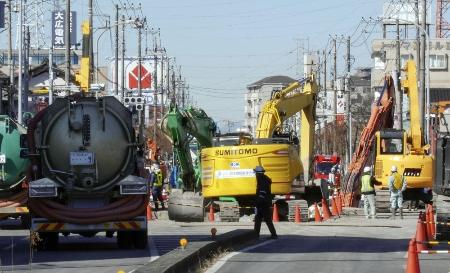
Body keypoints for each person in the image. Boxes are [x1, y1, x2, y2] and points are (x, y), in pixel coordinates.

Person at [253, 166, 278, 239]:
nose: (255, 175)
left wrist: (258, 202)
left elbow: (262, 193)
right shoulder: (264, 179)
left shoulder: (262, 180)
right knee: (258, 219)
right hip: (264, 203)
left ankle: (274, 234)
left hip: (263, 204)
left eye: (256, 173)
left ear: (258, 173)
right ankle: (256, 234)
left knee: (266, 220)